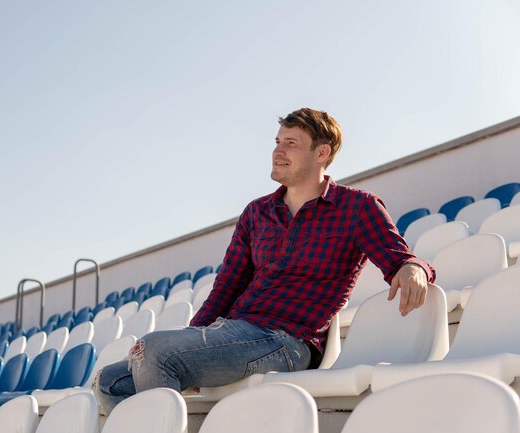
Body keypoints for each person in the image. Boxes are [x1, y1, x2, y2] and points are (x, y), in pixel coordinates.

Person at [93, 108, 435, 414]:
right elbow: (226, 286)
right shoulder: (257, 212)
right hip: (232, 332)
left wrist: (413, 269)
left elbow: (400, 257)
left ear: (322, 153)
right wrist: (193, 342)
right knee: (107, 382)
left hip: (287, 341)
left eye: (291, 143)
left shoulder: (356, 207)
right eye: (277, 141)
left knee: (154, 350)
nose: (278, 151)